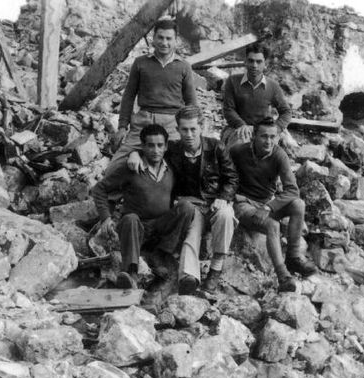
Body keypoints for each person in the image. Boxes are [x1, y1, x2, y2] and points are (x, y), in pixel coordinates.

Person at [92, 124, 195, 289]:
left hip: (161, 227)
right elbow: (99, 189)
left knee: (187, 207)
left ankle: (160, 254)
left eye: (160, 145)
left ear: (166, 147)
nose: (155, 150)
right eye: (150, 145)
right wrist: (105, 218)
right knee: (130, 219)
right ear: (143, 147)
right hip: (136, 229)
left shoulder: (171, 168)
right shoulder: (131, 167)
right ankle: (130, 273)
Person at [231, 117, 316, 292]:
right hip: (243, 203)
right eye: (264, 136)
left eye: (272, 136)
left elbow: (293, 190)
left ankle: (293, 257)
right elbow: (224, 176)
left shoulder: (279, 155)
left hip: (265, 203)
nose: (269, 141)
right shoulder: (238, 152)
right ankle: (283, 276)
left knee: (298, 205)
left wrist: (269, 207)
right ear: (253, 136)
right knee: (272, 225)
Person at [162, 106, 238, 294]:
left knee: (226, 215)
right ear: (178, 129)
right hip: (190, 204)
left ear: (201, 127)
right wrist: (133, 155)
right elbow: (147, 150)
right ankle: (189, 277)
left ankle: (215, 270)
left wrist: (223, 197)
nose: (188, 134)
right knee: (192, 232)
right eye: (184, 129)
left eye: (193, 129)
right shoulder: (172, 149)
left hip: (213, 202)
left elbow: (232, 177)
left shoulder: (216, 147)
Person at [111, 18, 197, 172]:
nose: (164, 42)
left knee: (183, 166)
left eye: (169, 38)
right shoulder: (140, 63)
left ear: (175, 41)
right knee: (115, 168)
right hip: (144, 121)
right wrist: (122, 127)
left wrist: (195, 129)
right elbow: (129, 96)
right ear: (153, 39)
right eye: (160, 37)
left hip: (173, 123)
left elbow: (191, 103)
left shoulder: (184, 67)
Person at [222, 42, 292, 149]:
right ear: (245, 61)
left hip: (263, 131)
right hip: (238, 129)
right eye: (251, 61)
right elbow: (228, 109)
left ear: (265, 64)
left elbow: (286, 111)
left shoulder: (272, 86)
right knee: (240, 150)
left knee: (272, 154)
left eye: (259, 62)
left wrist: (276, 129)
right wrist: (241, 125)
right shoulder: (232, 81)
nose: (254, 65)